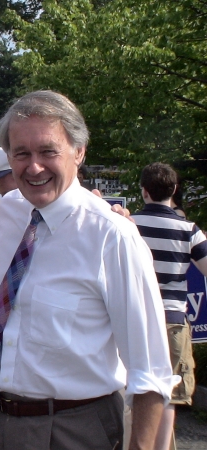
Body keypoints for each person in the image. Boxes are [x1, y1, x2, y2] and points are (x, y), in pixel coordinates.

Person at [0, 91, 177, 450]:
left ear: (78, 152)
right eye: (21, 153)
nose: (34, 167)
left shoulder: (112, 236)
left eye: (48, 151)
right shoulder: (6, 213)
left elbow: (151, 373)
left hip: (75, 430)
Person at [132, 162, 207, 450]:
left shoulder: (129, 224)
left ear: (144, 191)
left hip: (135, 318)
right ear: (174, 190)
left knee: (132, 388)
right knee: (169, 392)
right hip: (173, 318)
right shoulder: (188, 229)